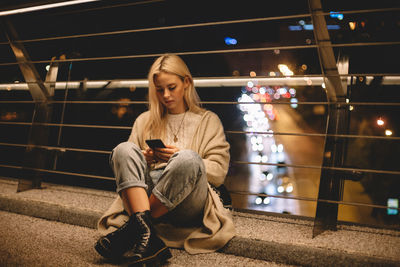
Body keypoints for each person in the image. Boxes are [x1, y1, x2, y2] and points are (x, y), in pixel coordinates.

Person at [95, 54, 235, 266]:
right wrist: (146, 158)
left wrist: (180, 158)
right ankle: (146, 233)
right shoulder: (144, 120)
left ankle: (133, 228)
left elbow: (219, 171)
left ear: (186, 82)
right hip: (150, 193)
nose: (166, 95)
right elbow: (129, 165)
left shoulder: (208, 120)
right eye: (160, 90)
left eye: (172, 87)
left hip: (189, 201)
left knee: (187, 158)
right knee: (123, 150)